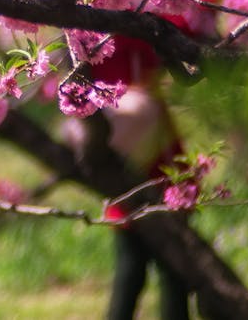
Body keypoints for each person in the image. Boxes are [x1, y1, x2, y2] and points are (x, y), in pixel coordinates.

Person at [66, 30, 190, 320]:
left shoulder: (97, 38)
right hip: (145, 166)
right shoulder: (119, 37)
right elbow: (148, 84)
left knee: (154, 270)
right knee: (159, 269)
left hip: (148, 165)